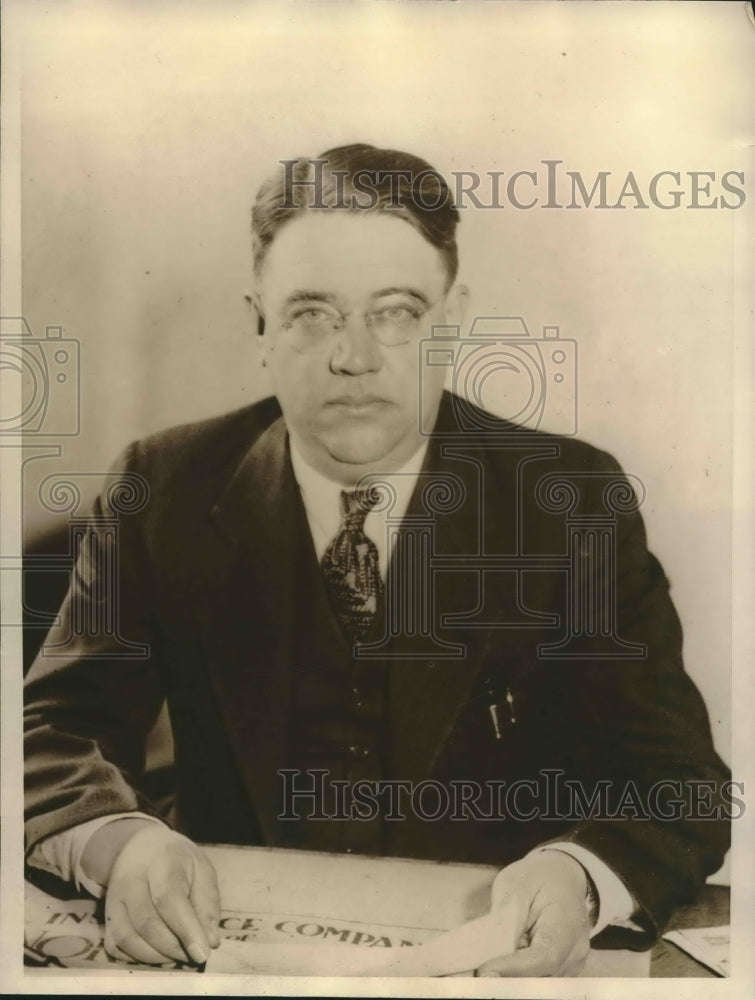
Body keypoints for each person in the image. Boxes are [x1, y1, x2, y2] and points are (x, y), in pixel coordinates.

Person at [24, 143, 731, 977]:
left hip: (491, 968)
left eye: (395, 311)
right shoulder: (163, 485)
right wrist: (120, 845)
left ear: (452, 315)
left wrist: (579, 877)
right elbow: (45, 732)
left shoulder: (569, 498)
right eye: (311, 313)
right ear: (259, 321)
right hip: (226, 957)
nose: (353, 356)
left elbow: (677, 782)